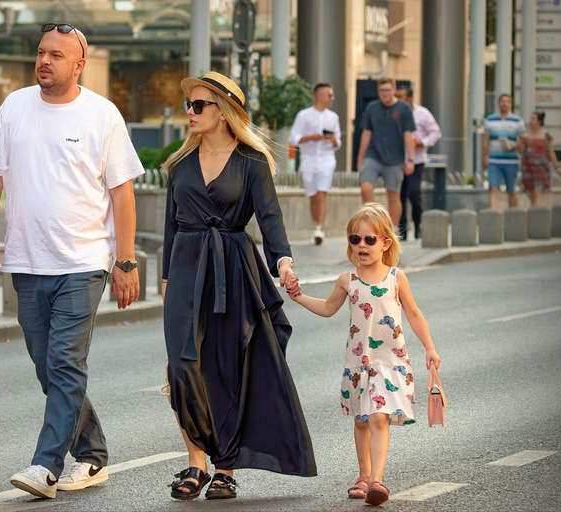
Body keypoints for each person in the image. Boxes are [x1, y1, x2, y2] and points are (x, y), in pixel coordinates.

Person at [0, 23, 144, 499]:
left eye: (56, 55)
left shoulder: (102, 115)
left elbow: (122, 194)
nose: (44, 61)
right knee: (48, 367)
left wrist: (125, 262)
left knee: (65, 363)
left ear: (79, 64)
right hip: (27, 260)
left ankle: (45, 465)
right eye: (41, 53)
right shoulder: (15, 106)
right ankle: (92, 455)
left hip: (83, 262)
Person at [161, 71, 317, 501]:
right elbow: (171, 229)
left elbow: (271, 221)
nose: (189, 112)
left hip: (233, 269)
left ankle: (223, 468)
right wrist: (166, 280)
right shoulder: (178, 166)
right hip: (186, 271)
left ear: (225, 112)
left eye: (199, 105)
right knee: (182, 366)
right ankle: (195, 461)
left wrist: (283, 264)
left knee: (227, 368)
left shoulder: (251, 162)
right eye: (188, 105)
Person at [285, 202, 441, 506]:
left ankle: (376, 481)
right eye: (355, 239)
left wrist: (431, 349)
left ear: (385, 242)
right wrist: (299, 297)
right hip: (359, 363)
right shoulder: (348, 280)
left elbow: (414, 314)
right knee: (361, 420)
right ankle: (363, 474)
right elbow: (329, 309)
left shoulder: (397, 277)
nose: (361, 246)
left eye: (369, 239)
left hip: (390, 361)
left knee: (378, 418)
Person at [356, 78, 416, 229]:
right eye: (382, 90)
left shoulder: (404, 109)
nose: (385, 94)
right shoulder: (372, 108)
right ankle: (375, 222)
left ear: (394, 90)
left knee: (393, 195)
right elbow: (366, 134)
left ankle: (393, 229)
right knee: (366, 188)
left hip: (395, 159)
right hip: (373, 155)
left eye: (388, 90)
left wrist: (411, 159)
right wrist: (360, 158)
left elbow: (408, 135)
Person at [289, 82, 342, 245]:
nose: (332, 98)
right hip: (308, 159)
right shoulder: (304, 115)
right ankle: (316, 226)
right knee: (313, 195)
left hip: (326, 159)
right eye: (329, 95)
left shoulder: (333, 117)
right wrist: (311, 137)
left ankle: (320, 228)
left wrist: (333, 139)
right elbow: (293, 138)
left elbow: (338, 142)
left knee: (322, 193)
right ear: (319, 95)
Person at [395, 87, 441, 241]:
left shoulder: (422, 113)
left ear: (409, 98)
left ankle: (418, 223)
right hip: (397, 161)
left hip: (417, 160)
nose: (397, 98)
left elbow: (436, 132)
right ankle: (401, 230)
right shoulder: (393, 113)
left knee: (413, 192)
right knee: (399, 196)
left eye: (400, 96)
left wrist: (423, 142)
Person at [482, 94, 526, 209]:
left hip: (511, 162)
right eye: (502, 101)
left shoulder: (518, 121)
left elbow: (523, 141)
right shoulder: (490, 120)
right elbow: (486, 140)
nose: (504, 104)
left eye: (507, 102)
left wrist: (513, 146)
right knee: (493, 189)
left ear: (511, 104)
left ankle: (513, 217)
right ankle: (494, 216)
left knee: (511, 191)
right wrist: (484, 157)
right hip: (494, 161)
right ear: (499, 103)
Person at [518, 111, 561, 206]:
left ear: (539, 122)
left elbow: (551, 152)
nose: (530, 121)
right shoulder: (526, 135)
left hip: (541, 170)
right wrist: (521, 142)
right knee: (532, 194)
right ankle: (534, 212)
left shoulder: (546, 135)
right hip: (528, 170)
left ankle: (536, 214)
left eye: (533, 119)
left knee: (538, 193)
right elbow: (521, 151)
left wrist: (557, 167)